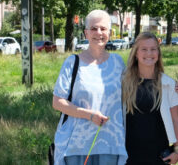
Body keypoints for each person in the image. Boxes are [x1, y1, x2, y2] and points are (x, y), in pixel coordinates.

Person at [52, 10, 127, 165]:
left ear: (110, 33)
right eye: (94, 28)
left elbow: (134, 91)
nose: (98, 33)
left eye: (103, 28)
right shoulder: (72, 63)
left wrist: (168, 87)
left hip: (111, 144)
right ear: (86, 33)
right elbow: (57, 102)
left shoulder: (118, 63)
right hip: (76, 147)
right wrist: (89, 115)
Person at [123, 32, 178, 165]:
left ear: (158, 53)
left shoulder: (168, 84)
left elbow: (175, 120)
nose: (149, 53)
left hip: (158, 155)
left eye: (153, 49)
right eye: (144, 49)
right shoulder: (123, 82)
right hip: (128, 154)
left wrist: (177, 149)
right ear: (136, 53)